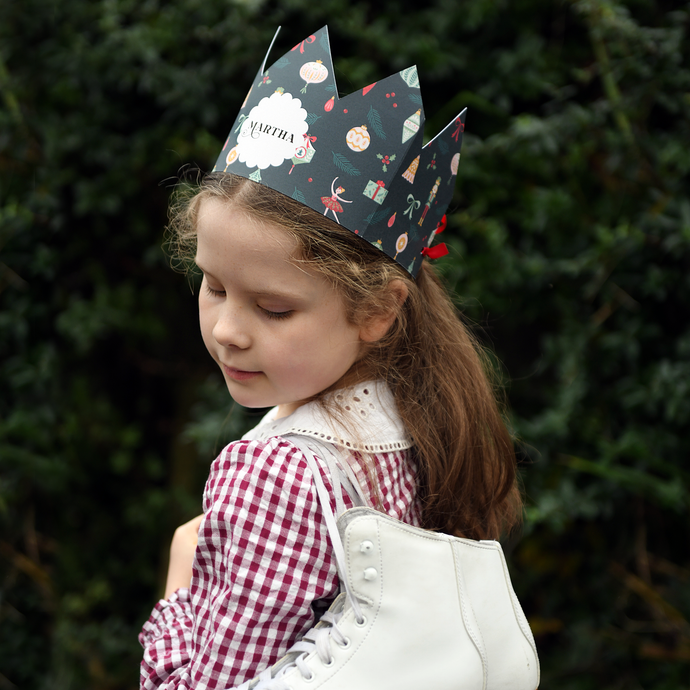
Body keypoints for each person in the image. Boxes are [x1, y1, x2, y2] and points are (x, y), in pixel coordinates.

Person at [138, 171, 521, 689]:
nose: (227, 330)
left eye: (274, 309)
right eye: (214, 285)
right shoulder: (423, 415)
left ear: (379, 310)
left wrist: (182, 569)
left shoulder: (277, 473)